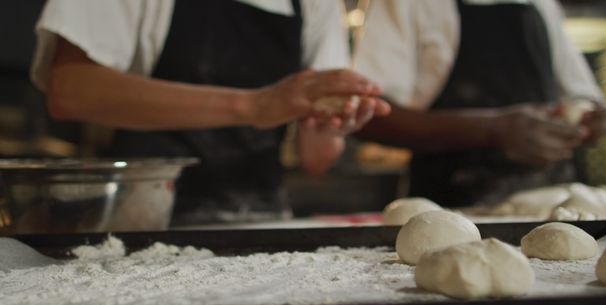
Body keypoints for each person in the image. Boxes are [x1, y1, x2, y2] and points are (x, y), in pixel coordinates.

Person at [31, 0, 390, 225]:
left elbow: (317, 158)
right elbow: (71, 89)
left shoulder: (315, 5)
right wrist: (254, 106)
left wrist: (331, 125)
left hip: (261, 227)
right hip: (143, 222)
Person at [355, 0, 606, 208]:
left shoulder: (542, 4)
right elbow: (371, 115)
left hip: (557, 206)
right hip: (450, 209)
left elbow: (581, 96)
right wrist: (493, 129)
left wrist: (593, 117)